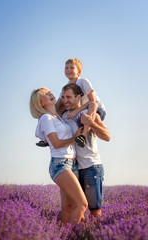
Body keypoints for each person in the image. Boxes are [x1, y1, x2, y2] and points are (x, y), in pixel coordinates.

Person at [30, 87, 88, 225]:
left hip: (72, 163)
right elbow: (56, 143)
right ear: (40, 103)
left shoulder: (57, 117)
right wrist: (75, 138)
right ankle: (70, 235)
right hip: (60, 164)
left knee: (68, 208)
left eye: (49, 91)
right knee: (82, 204)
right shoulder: (46, 118)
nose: (50, 93)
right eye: (45, 94)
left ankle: (58, 234)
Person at [61, 83, 111, 217]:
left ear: (78, 97)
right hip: (73, 168)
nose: (65, 100)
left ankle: (97, 236)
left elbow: (107, 136)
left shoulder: (90, 113)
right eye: (63, 97)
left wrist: (91, 122)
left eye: (69, 97)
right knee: (76, 208)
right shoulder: (63, 117)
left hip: (91, 166)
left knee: (95, 211)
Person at [55, 58, 106, 148]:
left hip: (97, 109)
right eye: (66, 68)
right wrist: (49, 115)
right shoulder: (67, 87)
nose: (68, 70)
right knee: (61, 108)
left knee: (92, 105)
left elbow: (92, 101)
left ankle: (84, 136)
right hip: (83, 109)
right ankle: (53, 133)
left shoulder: (83, 82)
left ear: (79, 71)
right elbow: (58, 105)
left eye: (72, 68)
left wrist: (75, 111)